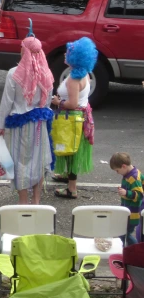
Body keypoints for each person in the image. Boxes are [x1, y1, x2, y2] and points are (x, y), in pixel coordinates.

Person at [0, 36, 54, 204]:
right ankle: (36, 200)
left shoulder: (14, 74)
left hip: (19, 125)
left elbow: (7, 102)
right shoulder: (46, 73)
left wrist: (0, 125)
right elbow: (47, 101)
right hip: (39, 124)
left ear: (24, 50)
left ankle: (23, 201)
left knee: (20, 162)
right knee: (39, 160)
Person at [51, 37, 97, 199]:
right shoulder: (84, 74)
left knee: (70, 151)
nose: (65, 54)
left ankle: (72, 189)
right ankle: (66, 176)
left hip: (72, 119)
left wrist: (58, 102)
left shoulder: (73, 79)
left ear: (75, 57)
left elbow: (72, 103)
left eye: (69, 52)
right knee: (72, 149)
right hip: (79, 118)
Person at [110, 152, 143, 246]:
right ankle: (129, 248)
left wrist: (126, 193)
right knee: (123, 232)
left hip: (132, 213)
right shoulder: (131, 173)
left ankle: (135, 248)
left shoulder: (133, 178)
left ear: (123, 166)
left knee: (123, 233)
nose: (117, 173)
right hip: (128, 211)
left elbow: (139, 195)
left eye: (117, 170)